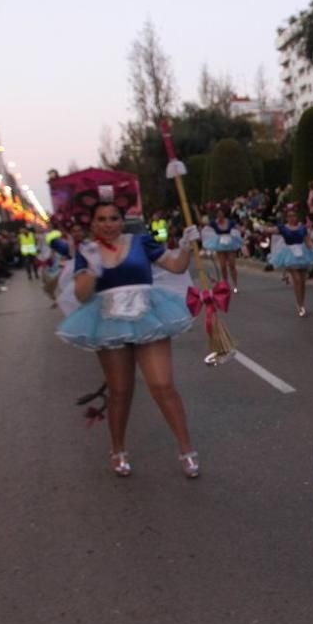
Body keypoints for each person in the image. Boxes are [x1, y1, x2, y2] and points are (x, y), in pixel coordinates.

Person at [55, 198, 200, 478]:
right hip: (108, 320)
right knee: (120, 390)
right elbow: (82, 295)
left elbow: (176, 267)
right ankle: (118, 449)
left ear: (122, 220)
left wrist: (185, 247)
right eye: (101, 219)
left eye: (113, 218)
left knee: (162, 384)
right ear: (92, 223)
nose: (108, 224)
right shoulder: (88, 250)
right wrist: (93, 269)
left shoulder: (141, 242)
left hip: (147, 315)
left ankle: (187, 450)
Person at [261, 206, 313, 317]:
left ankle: (302, 303)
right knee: (296, 280)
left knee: (302, 281)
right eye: (289, 216)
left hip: (302, 253)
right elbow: (271, 230)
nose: (292, 218)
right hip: (290, 254)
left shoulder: (302, 227)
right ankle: (299, 305)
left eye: (294, 216)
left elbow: (307, 241)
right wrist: (262, 228)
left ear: (297, 217)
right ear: (286, 218)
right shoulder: (283, 228)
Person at [204, 207, 243, 293]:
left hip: (229, 244)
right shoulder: (214, 223)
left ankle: (235, 285)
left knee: (232, 264)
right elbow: (203, 223)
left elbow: (238, 227)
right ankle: (226, 284)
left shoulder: (230, 222)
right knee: (223, 266)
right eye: (218, 214)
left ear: (224, 214)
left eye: (221, 213)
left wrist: (240, 230)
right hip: (220, 245)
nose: (220, 215)